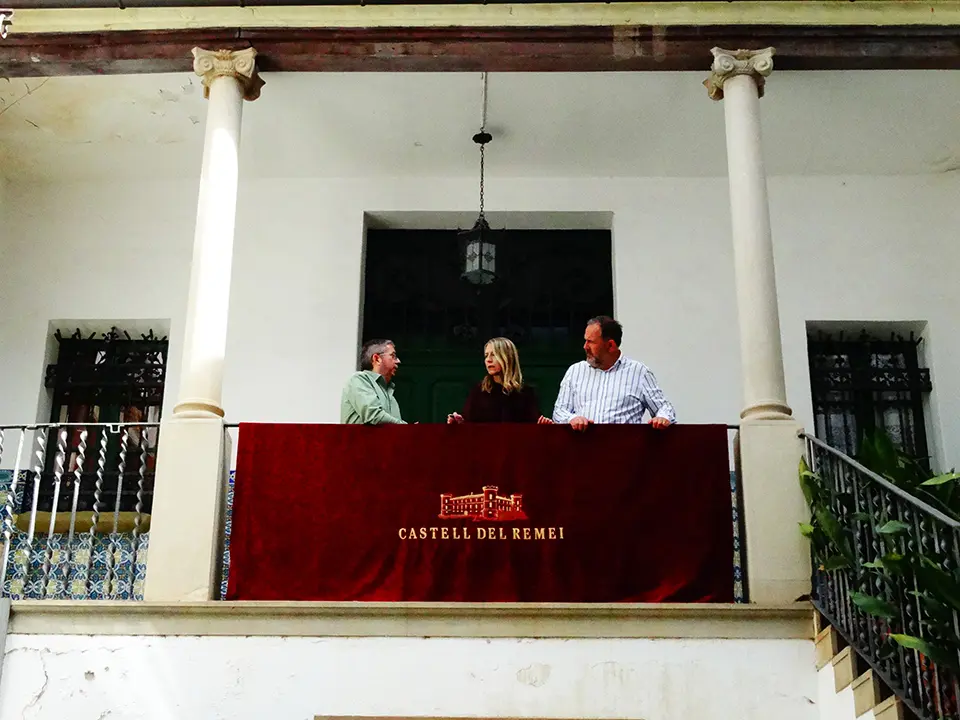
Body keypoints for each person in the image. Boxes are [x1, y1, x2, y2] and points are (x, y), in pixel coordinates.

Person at [552, 316, 676, 431]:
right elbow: (559, 411)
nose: (585, 347)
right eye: (585, 341)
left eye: (591, 342)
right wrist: (572, 419)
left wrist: (662, 418)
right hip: (584, 451)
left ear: (610, 345)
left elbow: (664, 408)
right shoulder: (575, 371)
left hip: (624, 450)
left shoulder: (639, 372)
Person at [447, 337, 551, 424]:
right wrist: (458, 422)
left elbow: (534, 427)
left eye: (494, 355)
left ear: (507, 357)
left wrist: (543, 425)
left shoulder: (526, 393)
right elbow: (468, 425)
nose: (488, 360)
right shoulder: (479, 391)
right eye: (486, 355)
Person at [340, 339, 407, 425]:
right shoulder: (358, 380)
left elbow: (393, 432)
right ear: (377, 359)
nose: (398, 361)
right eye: (393, 356)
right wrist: (405, 427)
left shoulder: (390, 393)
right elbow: (373, 415)